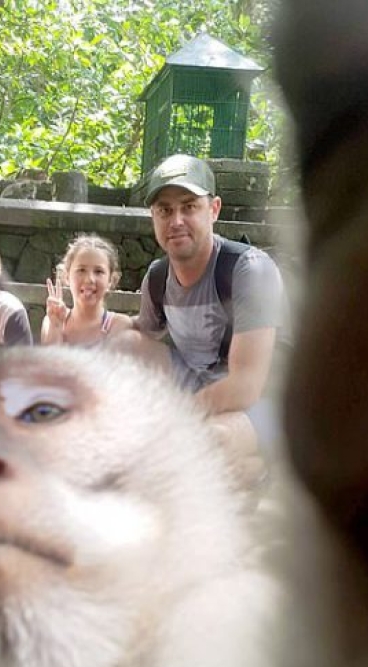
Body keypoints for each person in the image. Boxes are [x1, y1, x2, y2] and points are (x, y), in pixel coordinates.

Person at [135, 154, 286, 482]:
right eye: (165, 210)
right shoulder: (157, 278)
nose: (176, 220)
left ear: (213, 209)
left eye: (189, 207)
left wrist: (174, 417)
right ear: (153, 217)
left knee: (206, 444)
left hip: (266, 401)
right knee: (123, 346)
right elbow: (139, 335)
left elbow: (246, 386)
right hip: (202, 388)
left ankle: (264, 467)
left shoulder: (250, 270)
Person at [41, 234, 133, 346]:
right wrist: (55, 328)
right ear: (67, 276)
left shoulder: (119, 325)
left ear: (111, 280)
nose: (89, 279)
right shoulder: (51, 321)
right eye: (81, 270)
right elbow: (51, 357)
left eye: (98, 271)